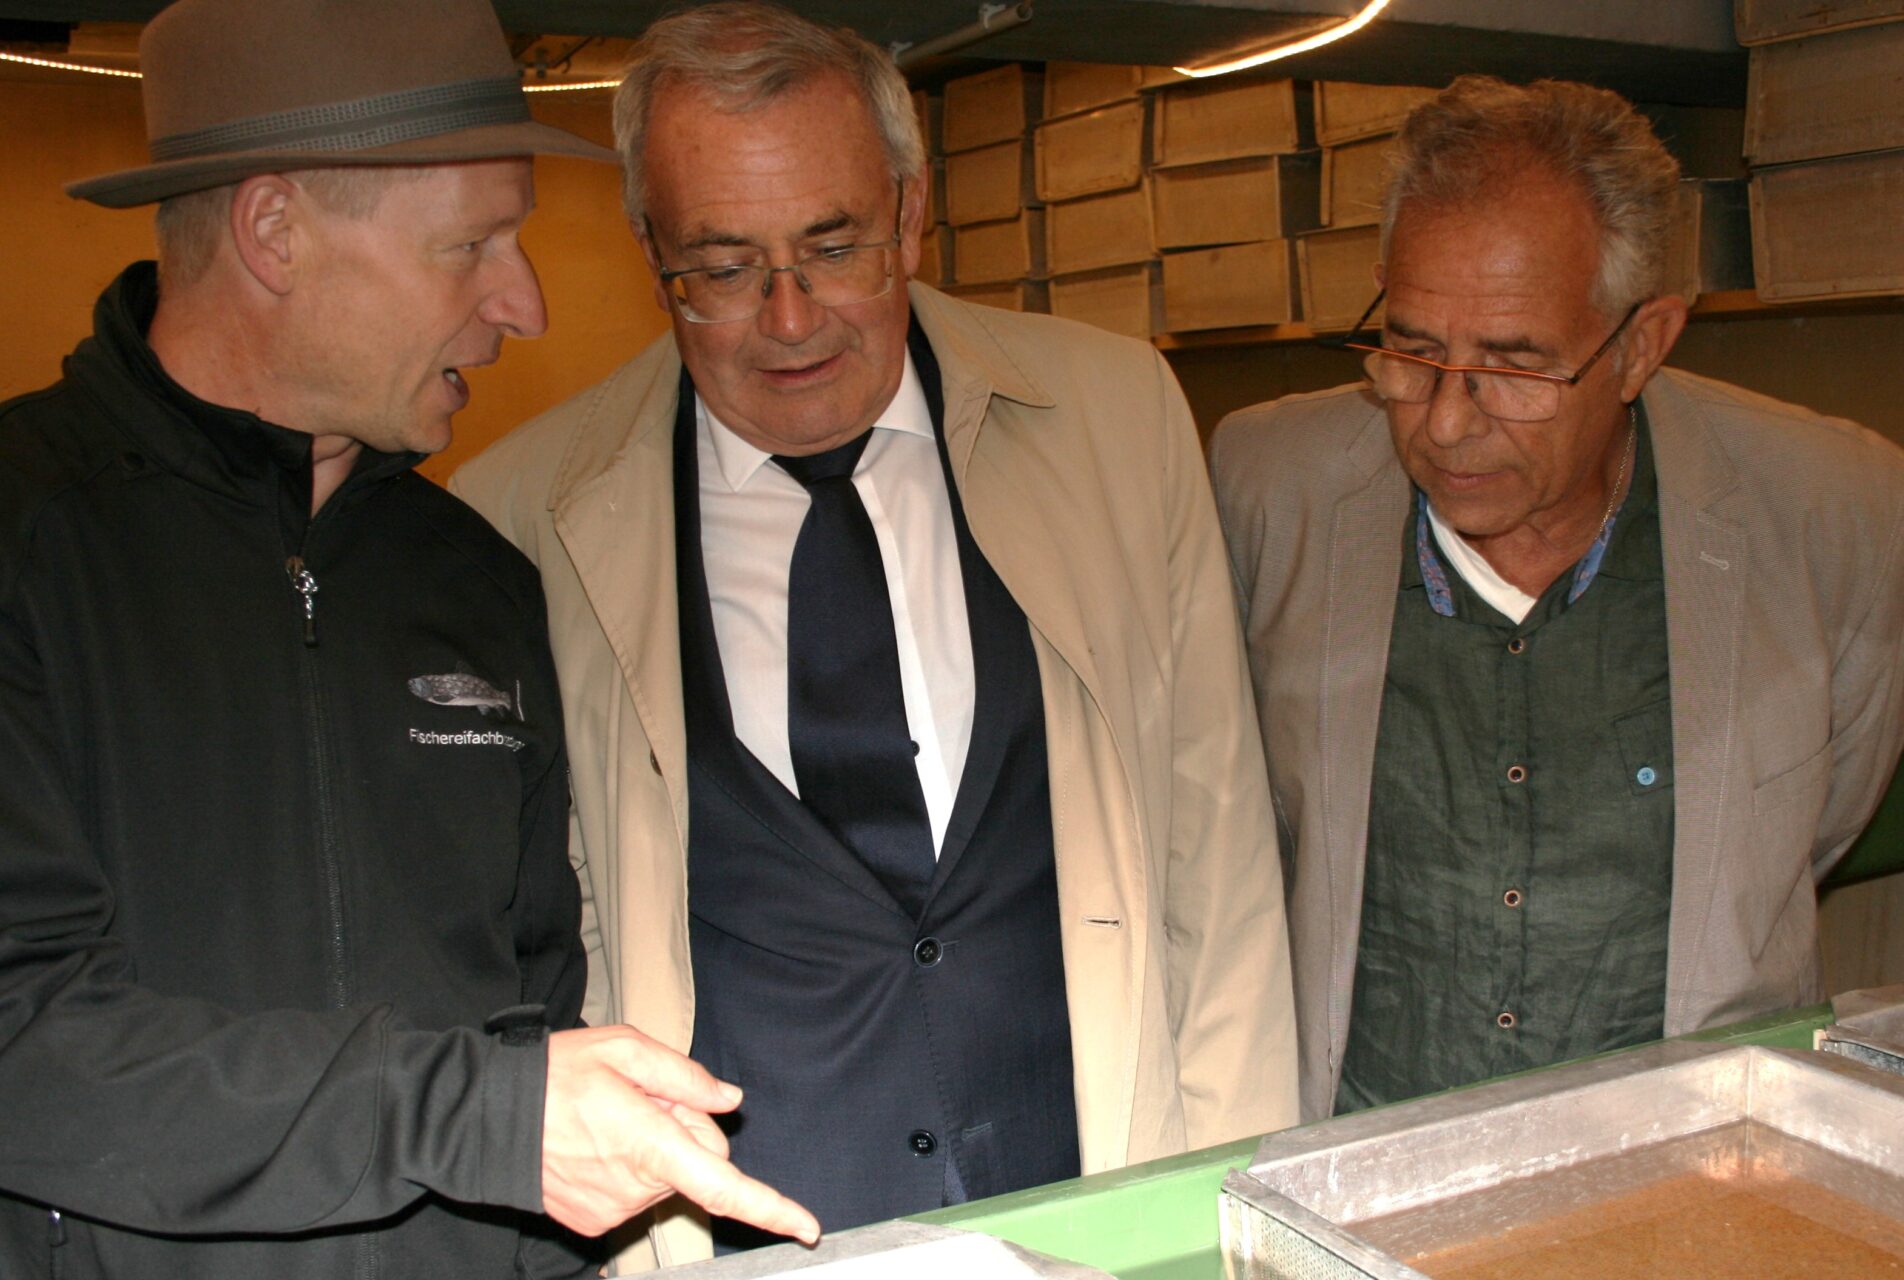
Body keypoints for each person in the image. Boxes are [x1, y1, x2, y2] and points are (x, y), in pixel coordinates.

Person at [454, 1, 1297, 1266]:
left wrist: (1231, 1230)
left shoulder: (1118, 420)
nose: (790, 321)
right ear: (648, 249)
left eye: (834, 247)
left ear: (911, 212)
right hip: (736, 1239)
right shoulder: (516, 517)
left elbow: (1215, 868)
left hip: (1098, 1219)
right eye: (722, 268)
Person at [0, 0, 818, 1276]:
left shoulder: (475, 577)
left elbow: (532, 1004)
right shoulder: (26, 540)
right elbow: (23, 1038)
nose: (526, 302)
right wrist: (473, 1118)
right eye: (474, 243)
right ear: (276, 230)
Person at [1211, 75, 1904, 1123]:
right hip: (1354, 1161)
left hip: (1679, 1171)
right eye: (1412, 348)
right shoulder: (1267, 487)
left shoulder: (1835, 510)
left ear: (1641, 344)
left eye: (1514, 364)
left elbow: (1821, 814)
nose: (1447, 423)